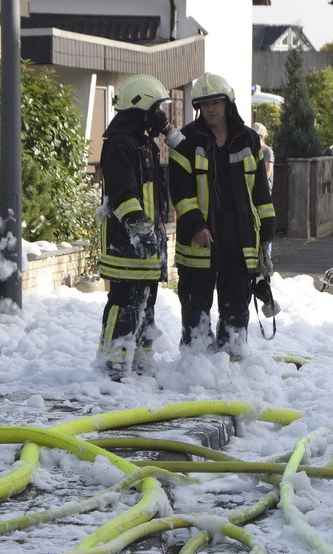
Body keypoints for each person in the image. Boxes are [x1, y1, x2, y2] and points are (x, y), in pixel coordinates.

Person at [168, 72, 277, 357]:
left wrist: (266, 232)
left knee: (236, 300)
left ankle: (233, 357)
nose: (211, 110)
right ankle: (196, 361)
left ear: (228, 103)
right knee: (195, 301)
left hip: (238, 234)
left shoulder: (249, 139)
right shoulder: (187, 141)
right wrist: (195, 226)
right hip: (200, 236)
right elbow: (180, 191)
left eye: (216, 102)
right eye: (205, 105)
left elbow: (261, 193)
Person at [94, 74, 180, 381]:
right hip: (126, 243)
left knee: (146, 303)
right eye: (157, 109)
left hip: (144, 243)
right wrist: (139, 228)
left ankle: (141, 363)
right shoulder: (120, 145)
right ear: (142, 108)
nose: (161, 116)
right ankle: (114, 365)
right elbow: (123, 193)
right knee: (125, 303)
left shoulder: (145, 144)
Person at [252, 122, 275, 193]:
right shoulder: (252, 150)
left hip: (264, 192)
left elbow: (266, 174)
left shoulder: (268, 151)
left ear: (261, 136)